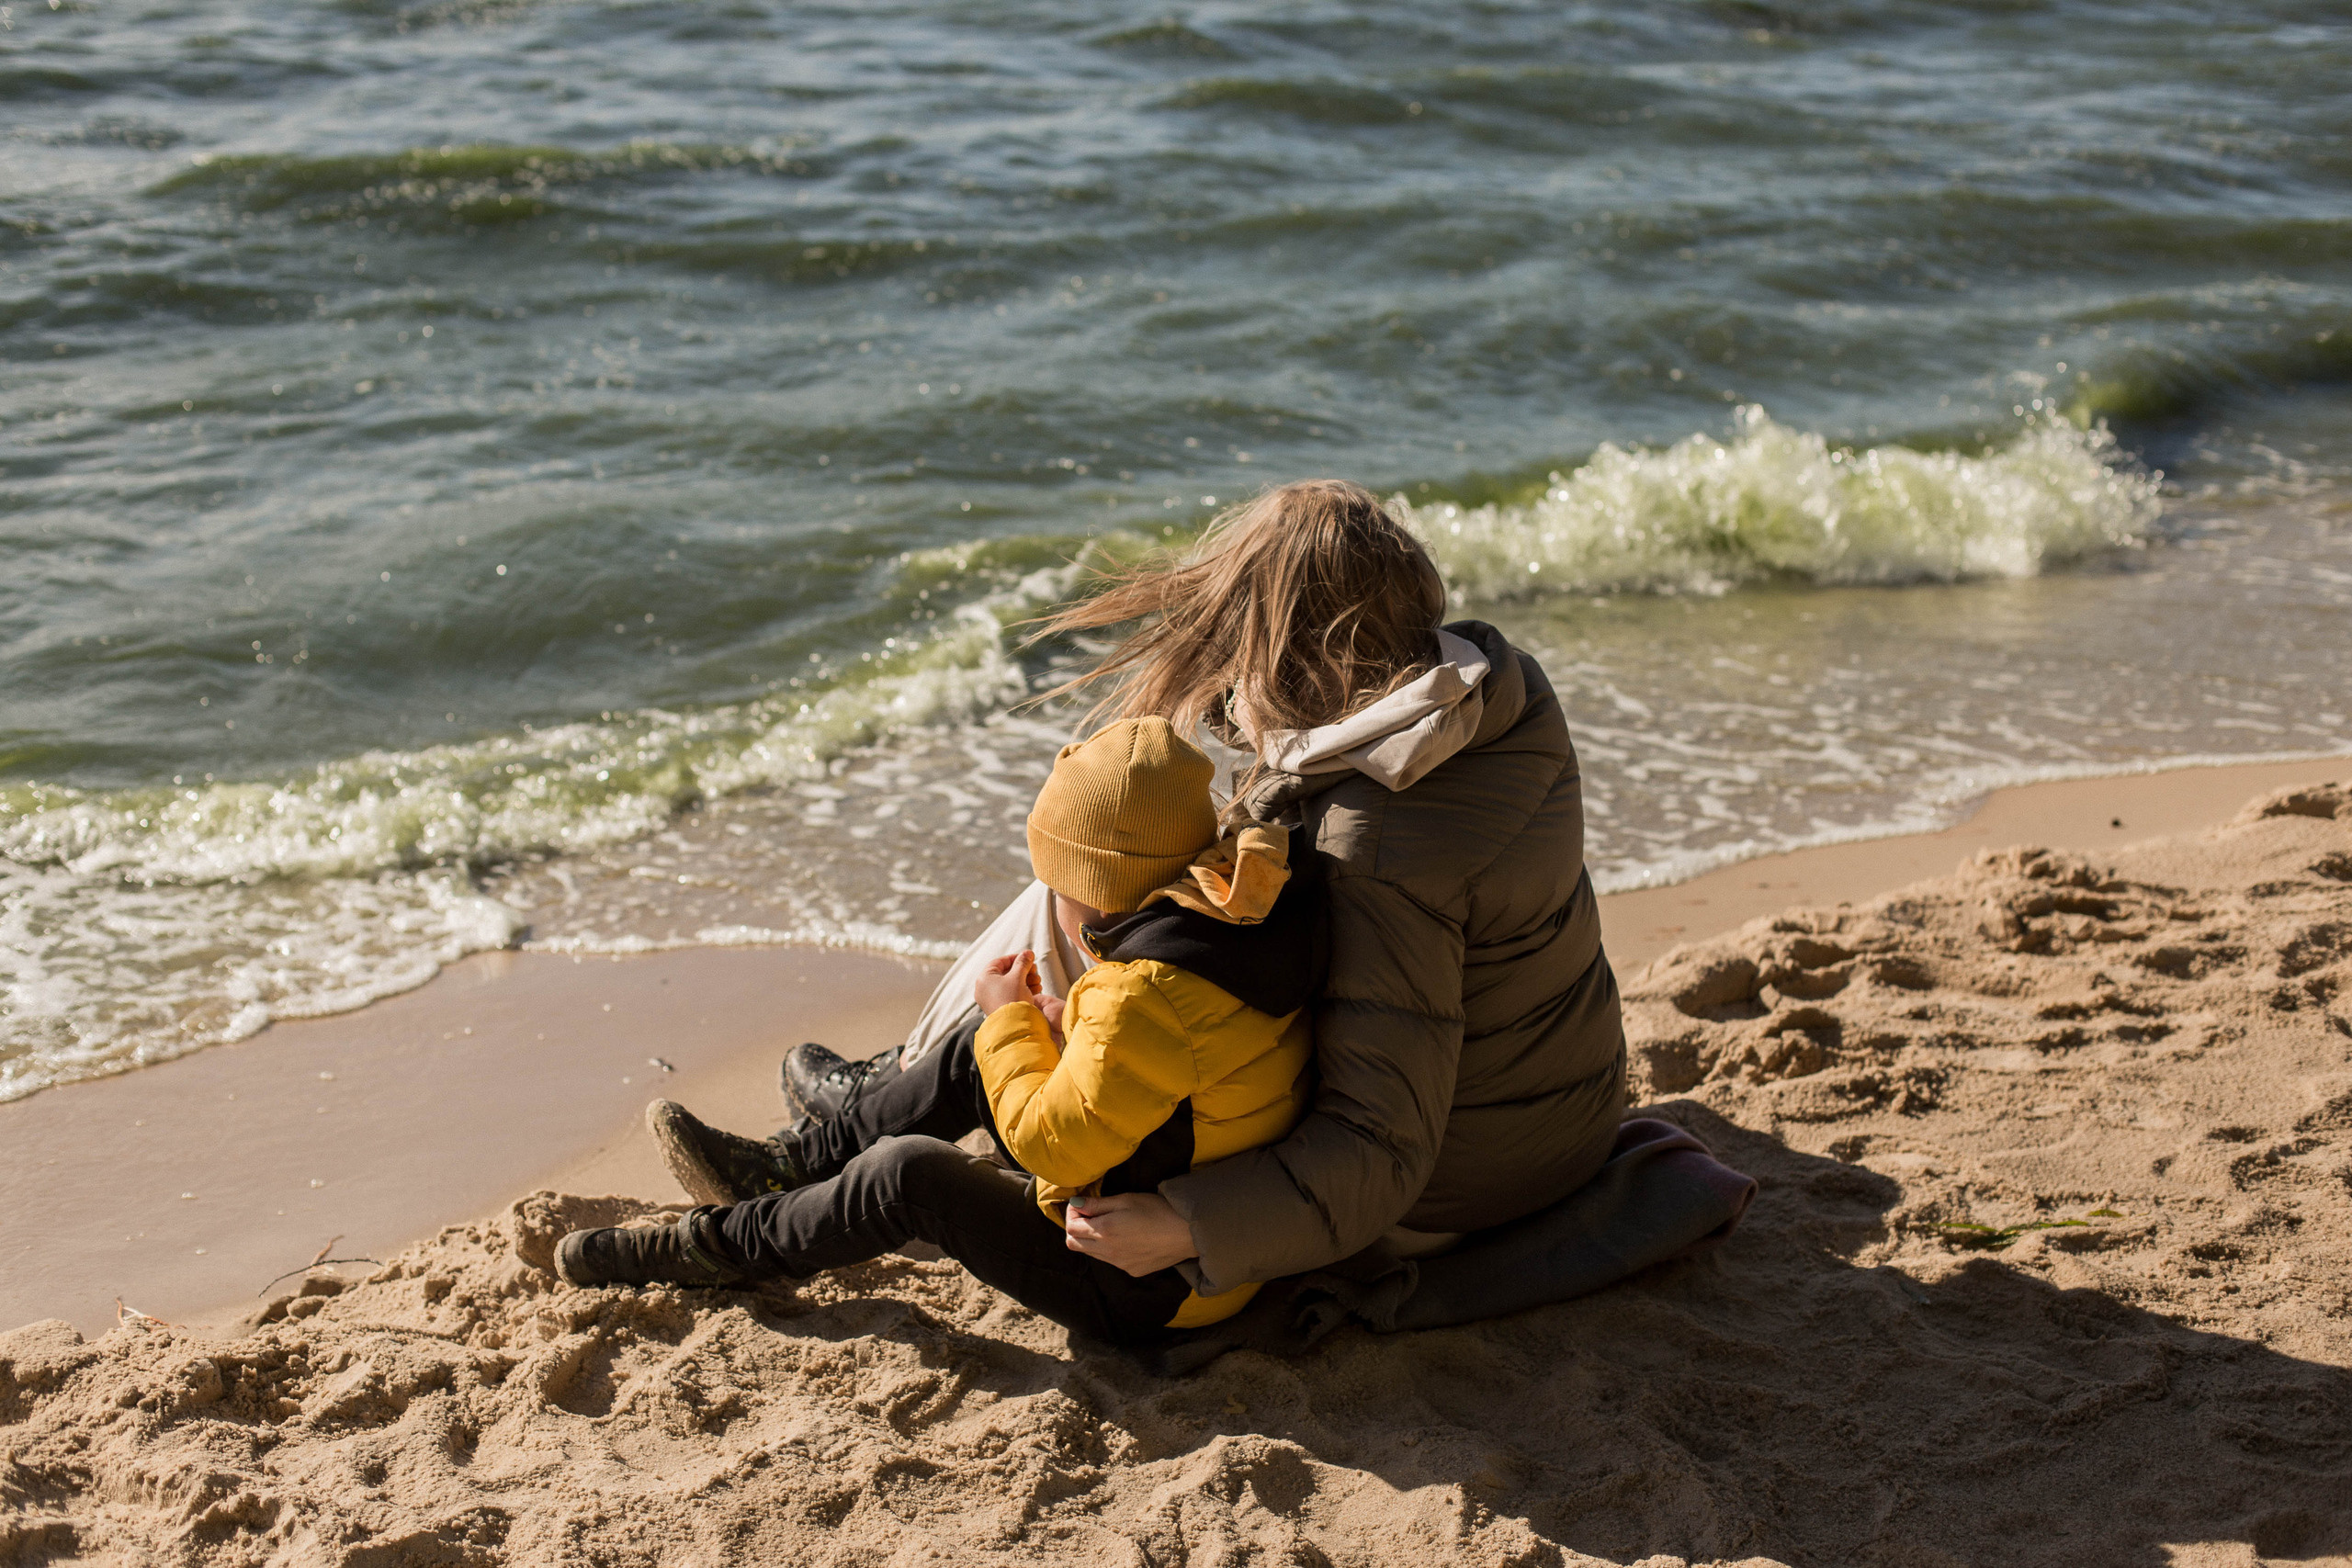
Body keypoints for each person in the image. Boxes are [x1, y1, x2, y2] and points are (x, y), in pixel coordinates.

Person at [639, 478, 1626, 1316]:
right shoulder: (1487, 693)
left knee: (1065, 896)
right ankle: (886, 1100)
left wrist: (1190, 1224)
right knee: (1110, 884)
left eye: (1240, 655)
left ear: (1293, 662)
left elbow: (1378, 1143)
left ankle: (849, 1136)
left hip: (1458, 1182)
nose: (1230, 685)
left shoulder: (1377, 847)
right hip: (1556, 1110)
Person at [553, 718, 1325, 1346]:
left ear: (1084, 891)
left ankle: (715, 1246)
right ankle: (793, 1164)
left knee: (910, 1175)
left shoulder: (1143, 995)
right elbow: (1170, 1069)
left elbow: (1048, 1145)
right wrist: (1052, 1026)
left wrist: (1013, 1017)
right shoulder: (1225, 922)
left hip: (1147, 1287)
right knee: (970, 1059)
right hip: (1184, 1214)